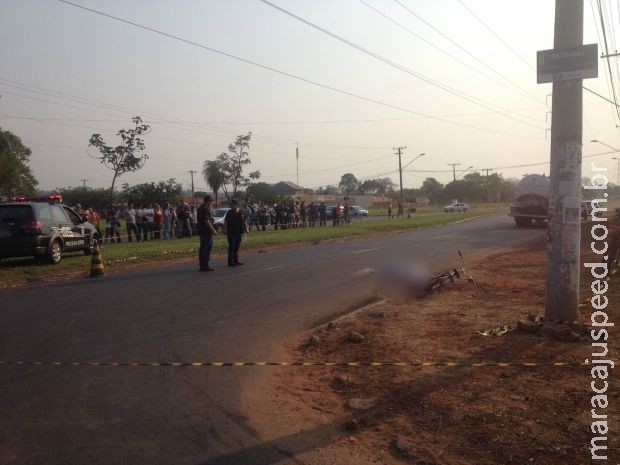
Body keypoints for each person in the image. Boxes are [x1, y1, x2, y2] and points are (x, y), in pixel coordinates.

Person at [224, 199, 249, 267]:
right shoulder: (229, 212)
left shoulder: (241, 212)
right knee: (231, 247)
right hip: (231, 232)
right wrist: (225, 230)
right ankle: (230, 262)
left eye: (233, 204)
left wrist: (246, 229)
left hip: (238, 232)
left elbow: (244, 221)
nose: (232, 206)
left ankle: (236, 260)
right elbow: (225, 222)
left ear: (237, 205)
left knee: (237, 247)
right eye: (231, 205)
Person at [197, 195, 218, 271]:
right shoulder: (205, 209)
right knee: (207, 248)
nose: (211, 204)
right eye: (211, 202)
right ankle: (205, 264)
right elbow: (206, 221)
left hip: (201, 231)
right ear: (209, 202)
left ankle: (202, 264)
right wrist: (213, 230)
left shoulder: (200, 208)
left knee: (202, 248)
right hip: (206, 231)